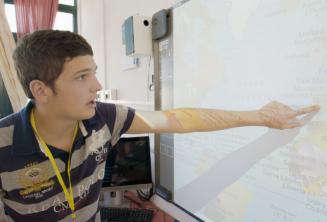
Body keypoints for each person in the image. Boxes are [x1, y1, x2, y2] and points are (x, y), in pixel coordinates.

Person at [0, 30, 319, 222]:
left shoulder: (103, 120)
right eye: (82, 77)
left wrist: (259, 116)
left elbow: (179, 119)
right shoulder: (3, 146)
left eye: (94, 72)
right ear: (40, 90)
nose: (97, 84)